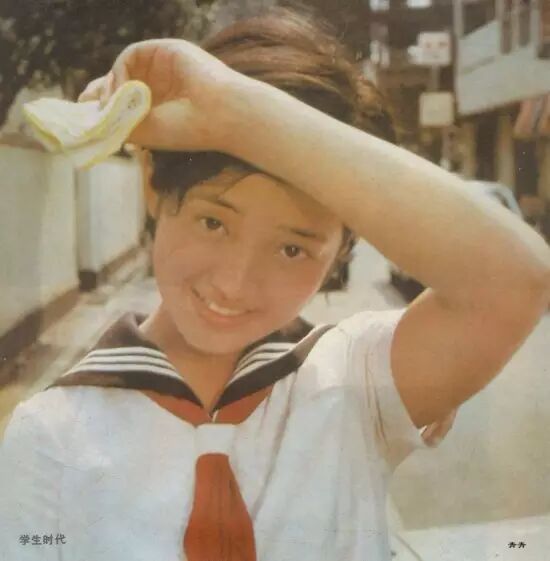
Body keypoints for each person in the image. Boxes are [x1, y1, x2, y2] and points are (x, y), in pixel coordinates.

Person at [1, 7, 549, 561]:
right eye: (213, 222)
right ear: (152, 184)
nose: (235, 283)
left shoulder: (357, 382)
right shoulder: (52, 437)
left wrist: (233, 111)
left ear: (342, 251)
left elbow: (518, 280)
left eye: (292, 249)